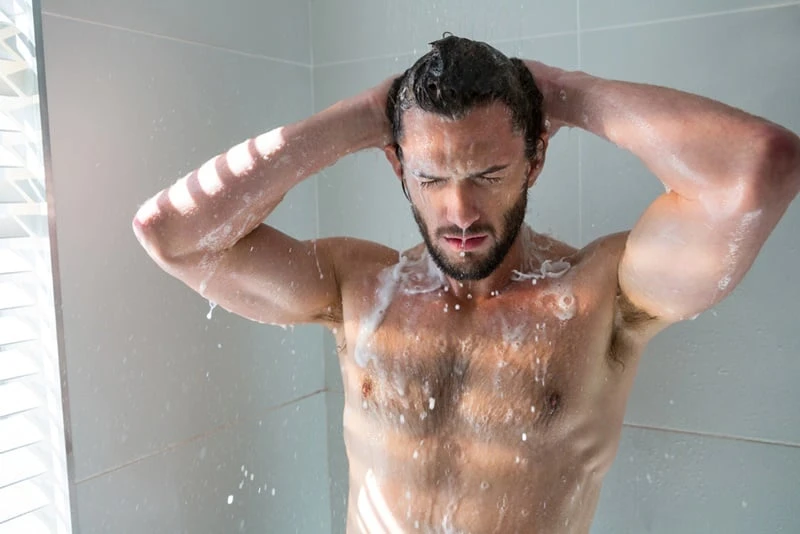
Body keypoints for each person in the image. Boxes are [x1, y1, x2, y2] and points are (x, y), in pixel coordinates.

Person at [132, 34, 800, 533]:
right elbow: (171, 234)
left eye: (485, 175)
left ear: (535, 157)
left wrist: (566, 93)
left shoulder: (604, 296)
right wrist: (363, 117)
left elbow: (758, 172)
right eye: (430, 178)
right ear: (396, 163)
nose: (458, 215)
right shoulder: (357, 287)